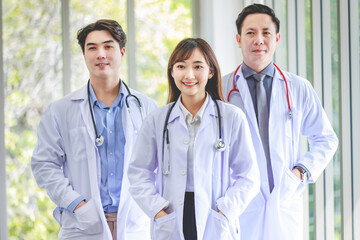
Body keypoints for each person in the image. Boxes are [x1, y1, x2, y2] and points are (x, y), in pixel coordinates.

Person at [31, 19, 157, 240]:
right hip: (82, 224)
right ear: (84, 55)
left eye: (108, 46)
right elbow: (44, 165)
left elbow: (158, 166)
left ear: (122, 52)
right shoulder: (61, 110)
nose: (101, 54)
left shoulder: (146, 107)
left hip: (135, 223)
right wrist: (77, 205)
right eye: (92, 48)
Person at [222, 4, 339, 240]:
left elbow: (326, 138)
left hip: (284, 199)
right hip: (240, 201)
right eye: (250, 33)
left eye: (266, 32)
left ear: (277, 38)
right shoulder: (221, 89)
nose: (258, 40)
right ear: (238, 39)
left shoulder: (297, 87)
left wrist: (300, 172)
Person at [127, 38, 260, 240]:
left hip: (214, 215)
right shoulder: (157, 119)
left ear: (211, 71)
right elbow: (138, 173)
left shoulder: (232, 117)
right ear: (172, 72)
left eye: (198, 66)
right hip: (171, 216)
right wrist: (158, 211)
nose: (189, 75)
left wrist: (225, 211)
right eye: (181, 66)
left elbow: (249, 176)